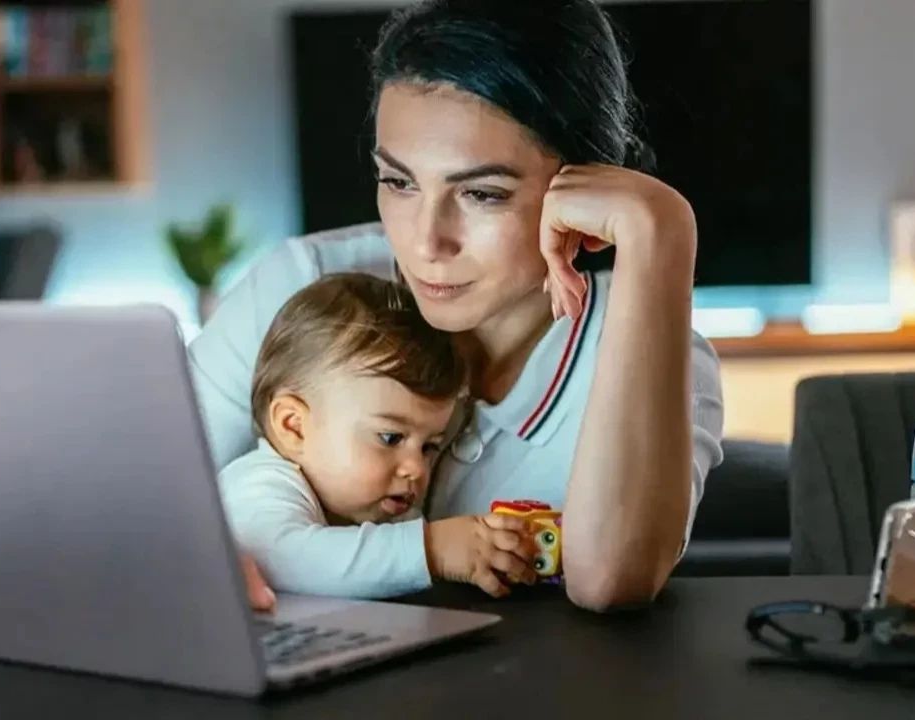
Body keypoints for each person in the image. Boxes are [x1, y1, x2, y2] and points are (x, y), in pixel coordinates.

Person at [191, 0, 724, 612]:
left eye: (481, 193)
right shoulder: (299, 285)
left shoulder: (664, 360)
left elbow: (609, 582)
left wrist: (661, 235)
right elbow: (132, 498)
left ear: (586, 198)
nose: (425, 242)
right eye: (399, 182)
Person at [219, 273, 537, 598]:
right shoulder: (258, 486)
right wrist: (434, 549)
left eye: (429, 446)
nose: (417, 468)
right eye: (390, 438)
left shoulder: (369, 508)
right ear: (294, 427)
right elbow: (281, 560)